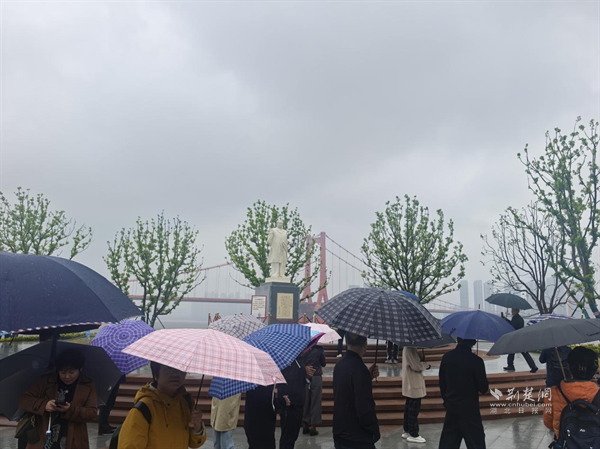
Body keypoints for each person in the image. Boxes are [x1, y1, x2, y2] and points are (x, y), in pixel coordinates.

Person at [19, 348, 98, 449]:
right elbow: (24, 399)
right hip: (44, 433)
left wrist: (70, 409)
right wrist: (44, 405)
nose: (67, 376)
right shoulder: (46, 381)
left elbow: (91, 412)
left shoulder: (88, 385)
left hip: (74, 437)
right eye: (63, 372)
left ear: (80, 369)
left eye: (72, 372)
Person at [117, 361, 206, 449]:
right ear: (156, 373)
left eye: (180, 368)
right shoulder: (144, 409)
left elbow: (194, 443)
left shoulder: (186, 402)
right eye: (168, 368)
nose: (175, 373)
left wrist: (197, 426)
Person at [438, 338, 489, 449]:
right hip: (470, 409)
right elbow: (483, 388)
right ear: (473, 342)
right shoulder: (476, 360)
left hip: (452, 407)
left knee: (448, 443)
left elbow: (442, 383)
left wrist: (447, 400)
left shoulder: (447, 357)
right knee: (476, 443)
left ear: (458, 339)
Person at [333, 332, 380, 449]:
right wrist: (374, 429)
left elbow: (346, 390)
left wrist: (367, 377)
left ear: (346, 342)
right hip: (357, 437)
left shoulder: (339, 365)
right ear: (365, 344)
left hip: (339, 431)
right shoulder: (360, 369)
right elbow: (364, 407)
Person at [543, 346, 600, 438]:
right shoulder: (597, 392)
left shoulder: (554, 392)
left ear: (568, 366)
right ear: (595, 369)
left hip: (565, 441)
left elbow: (548, 422)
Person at [401, 347, 431, 444]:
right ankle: (413, 434)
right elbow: (416, 366)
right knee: (413, 410)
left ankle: (407, 430)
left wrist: (420, 357)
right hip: (413, 382)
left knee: (409, 408)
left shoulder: (409, 348)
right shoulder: (410, 349)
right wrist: (426, 364)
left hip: (411, 382)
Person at [278, 358, 309, 449]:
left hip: (299, 402)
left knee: (293, 436)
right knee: (287, 438)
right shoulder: (285, 362)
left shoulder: (298, 360)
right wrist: (282, 396)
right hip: (290, 404)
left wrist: (306, 374)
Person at [502, 309, 538, 373]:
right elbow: (513, 324)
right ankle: (532, 366)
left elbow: (512, 326)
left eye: (512, 310)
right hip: (520, 337)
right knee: (519, 352)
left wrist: (505, 320)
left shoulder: (515, 318)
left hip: (515, 338)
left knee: (513, 351)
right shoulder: (520, 318)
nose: (511, 311)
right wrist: (506, 319)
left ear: (516, 311)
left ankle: (532, 366)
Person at [302, 344, 326, 436]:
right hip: (316, 376)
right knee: (316, 401)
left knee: (305, 400)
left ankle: (305, 423)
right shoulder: (319, 349)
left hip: (305, 376)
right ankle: (313, 426)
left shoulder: (302, 348)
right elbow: (323, 363)